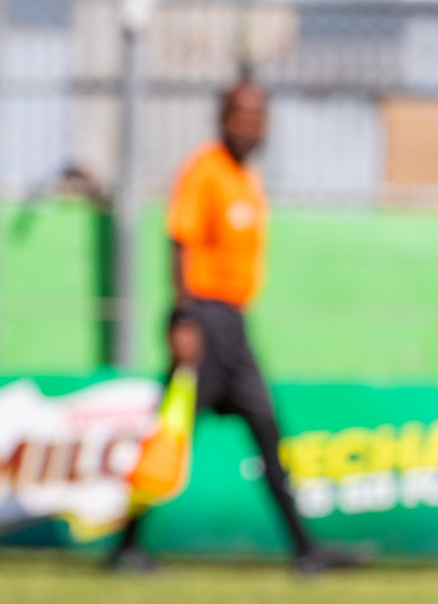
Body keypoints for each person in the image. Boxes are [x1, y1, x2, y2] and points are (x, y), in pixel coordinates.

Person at [107, 79, 371, 576]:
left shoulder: (247, 177)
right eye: (241, 116)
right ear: (223, 119)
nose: (250, 126)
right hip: (203, 320)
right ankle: (125, 546)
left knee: (268, 433)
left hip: (234, 324)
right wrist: (184, 318)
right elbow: (181, 242)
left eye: (257, 117)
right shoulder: (204, 170)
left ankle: (305, 549)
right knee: (171, 434)